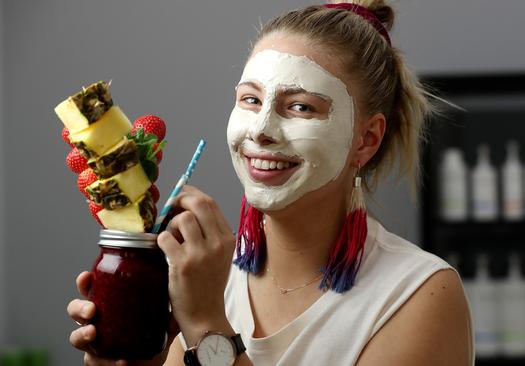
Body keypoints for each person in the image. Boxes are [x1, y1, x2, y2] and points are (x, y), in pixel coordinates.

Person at [67, 1, 474, 365]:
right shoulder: (204, 275)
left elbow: (206, 325)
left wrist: (208, 327)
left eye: (300, 106)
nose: (261, 130)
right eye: (250, 99)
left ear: (365, 140)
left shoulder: (419, 295)